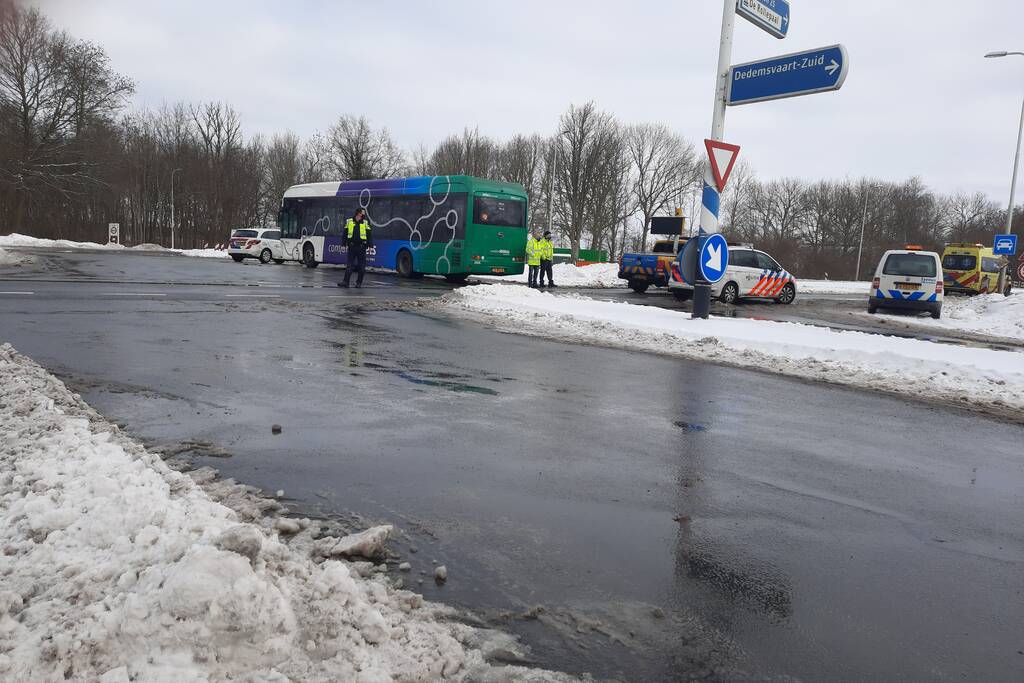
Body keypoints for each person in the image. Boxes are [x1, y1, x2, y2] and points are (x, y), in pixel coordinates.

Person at [339, 208, 372, 288]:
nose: (364, 214)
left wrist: (370, 246)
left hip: (361, 247)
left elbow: (369, 235)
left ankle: (359, 283)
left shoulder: (365, 222)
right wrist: (343, 244)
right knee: (349, 265)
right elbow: (345, 233)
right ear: (358, 213)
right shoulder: (349, 221)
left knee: (361, 266)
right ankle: (345, 282)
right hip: (352, 246)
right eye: (363, 212)